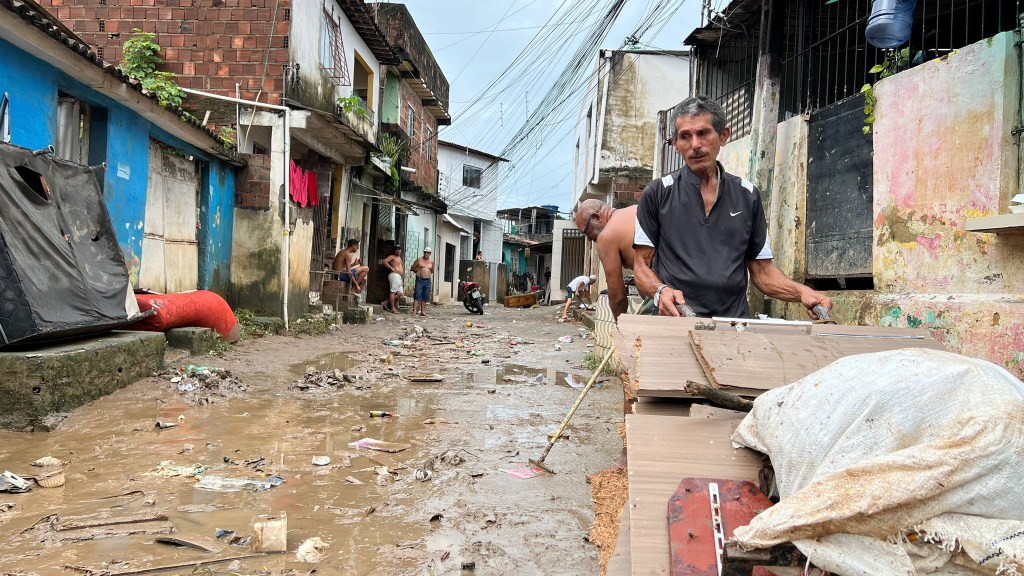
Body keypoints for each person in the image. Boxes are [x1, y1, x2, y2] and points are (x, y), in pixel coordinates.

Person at [632, 96, 831, 318]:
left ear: (724, 136)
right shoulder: (658, 193)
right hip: (676, 321)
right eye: (685, 136)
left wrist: (802, 292)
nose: (695, 144)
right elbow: (641, 266)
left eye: (703, 133)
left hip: (732, 325)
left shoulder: (747, 196)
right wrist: (661, 291)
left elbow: (762, 271)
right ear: (676, 145)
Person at [575, 200, 637, 320]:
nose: (588, 239)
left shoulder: (606, 237)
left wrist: (620, 327)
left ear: (597, 217)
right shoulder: (635, 210)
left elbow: (617, 297)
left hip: (666, 287)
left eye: (587, 232)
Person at [381, 246, 405, 314]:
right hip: (394, 275)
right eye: (397, 250)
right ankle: (392, 308)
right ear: (394, 250)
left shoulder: (399, 258)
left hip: (398, 277)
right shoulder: (392, 256)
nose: (398, 251)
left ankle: (385, 302)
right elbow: (384, 261)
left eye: (399, 249)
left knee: (400, 293)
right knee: (393, 292)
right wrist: (391, 268)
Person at [411, 247, 434, 317]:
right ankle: (414, 311)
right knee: (417, 295)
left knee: (426, 295)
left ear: (430, 254)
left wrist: (426, 274)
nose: (426, 254)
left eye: (427, 252)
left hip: (428, 280)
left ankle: (423, 311)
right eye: (425, 252)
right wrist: (418, 272)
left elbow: (432, 271)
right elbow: (413, 268)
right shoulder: (419, 260)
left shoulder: (431, 262)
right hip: (420, 280)